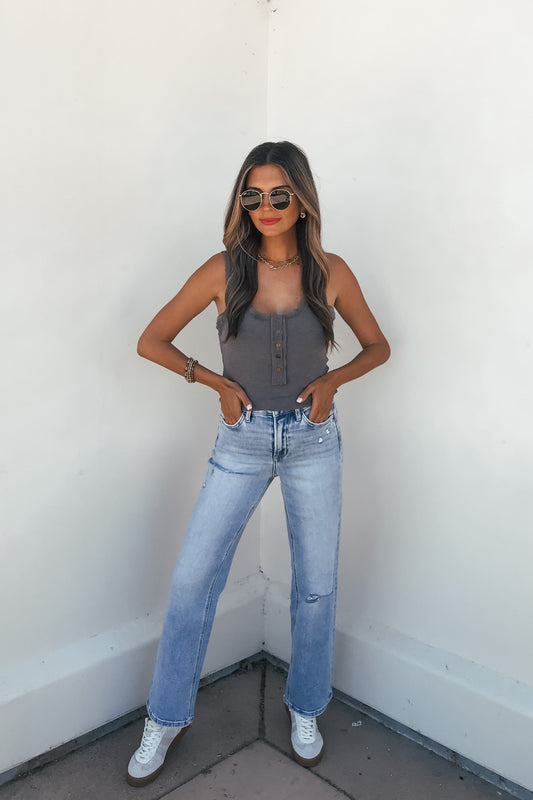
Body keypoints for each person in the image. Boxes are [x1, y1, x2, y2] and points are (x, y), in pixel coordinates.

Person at [126, 141, 390, 787]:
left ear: (300, 201)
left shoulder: (331, 270)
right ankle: (165, 717)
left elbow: (378, 346)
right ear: (242, 201)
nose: (265, 206)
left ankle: (304, 708)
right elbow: (150, 340)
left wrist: (333, 383)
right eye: (253, 194)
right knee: (192, 583)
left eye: (278, 194)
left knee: (314, 587)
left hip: (313, 441)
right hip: (240, 444)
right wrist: (213, 382)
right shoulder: (222, 269)